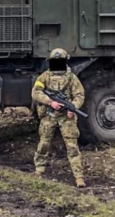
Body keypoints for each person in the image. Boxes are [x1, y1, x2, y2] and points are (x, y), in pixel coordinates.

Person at [32, 48, 86, 188]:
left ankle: (78, 176)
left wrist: (72, 108)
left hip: (66, 117)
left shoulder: (72, 78)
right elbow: (36, 92)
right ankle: (39, 169)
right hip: (49, 115)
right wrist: (50, 102)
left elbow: (79, 95)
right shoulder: (44, 76)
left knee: (72, 146)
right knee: (44, 143)